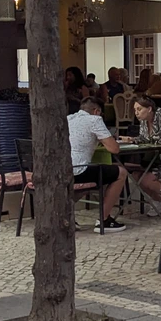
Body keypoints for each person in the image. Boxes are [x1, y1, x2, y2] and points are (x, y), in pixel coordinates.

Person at [68, 97, 128, 232]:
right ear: (96, 111)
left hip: (62, 169)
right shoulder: (94, 120)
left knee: (94, 175)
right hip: (78, 170)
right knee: (120, 173)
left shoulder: (68, 118)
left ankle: (64, 215)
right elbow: (114, 149)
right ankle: (104, 219)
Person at [119, 96, 161, 216]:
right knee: (136, 175)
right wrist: (132, 140)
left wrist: (148, 142)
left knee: (146, 179)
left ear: (149, 109)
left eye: (139, 109)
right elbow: (143, 139)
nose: (136, 113)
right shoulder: (143, 121)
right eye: (135, 110)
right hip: (152, 158)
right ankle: (159, 201)